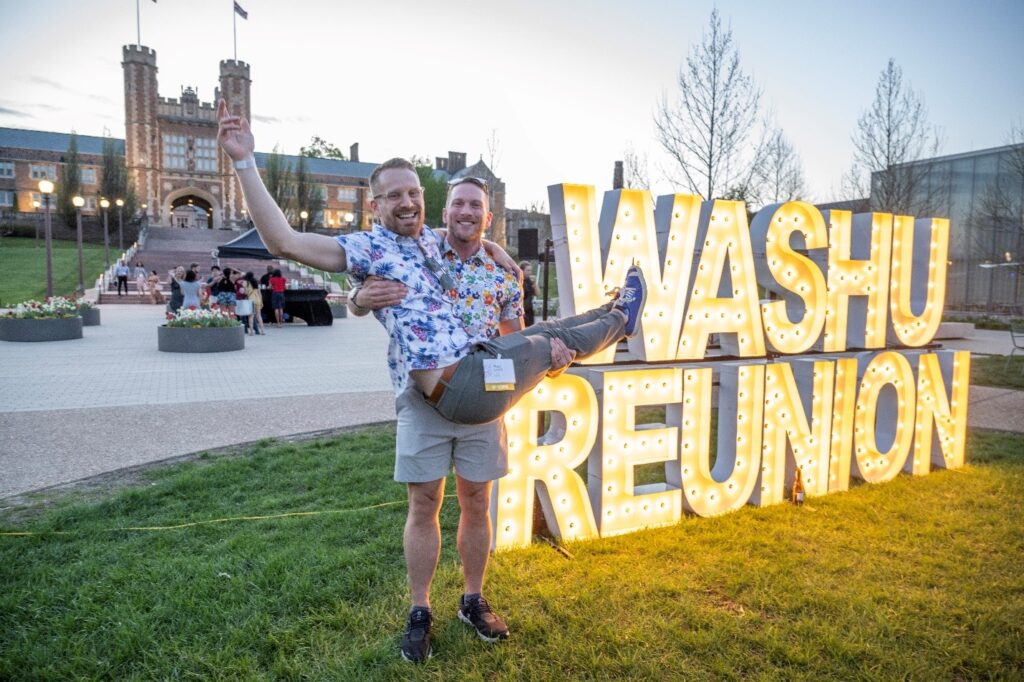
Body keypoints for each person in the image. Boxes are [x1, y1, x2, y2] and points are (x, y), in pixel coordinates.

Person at [218, 101, 645, 660]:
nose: (407, 201)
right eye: (394, 194)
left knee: (542, 346)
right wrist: (246, 163)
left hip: (482, 386)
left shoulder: (460, 252)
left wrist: (535, 343)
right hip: (432, 395)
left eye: (414, 192)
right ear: (376, 205)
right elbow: (287, 243)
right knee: (425, 502)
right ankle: (420, 609)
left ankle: (472, 600)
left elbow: (510, 322)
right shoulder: (369, 248)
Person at [519, 260, 537, 327]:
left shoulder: (530, 280)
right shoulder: (519, 281)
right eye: (527, 270)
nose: (529, 272)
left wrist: (534, 283)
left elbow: (537, 293)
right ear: (522, 270)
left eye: (530, 270)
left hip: (529, 309)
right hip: (522, 309)